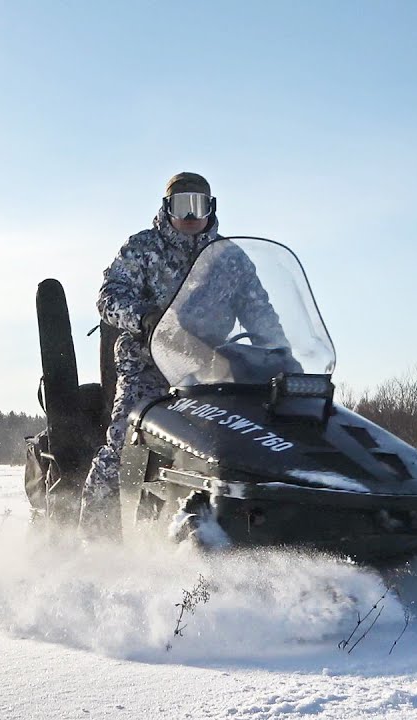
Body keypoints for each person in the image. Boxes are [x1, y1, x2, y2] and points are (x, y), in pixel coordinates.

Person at [80, 172, 285, 537]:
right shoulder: (143, 248)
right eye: (181, 206)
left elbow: (261, 314)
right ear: (166, 208)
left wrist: (281, 356)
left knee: (237, 452)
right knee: (122, 447)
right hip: (147, 369)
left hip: (208, 376)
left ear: (211, 209)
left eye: (198, 206)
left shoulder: (230, 260)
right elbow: (108, 296)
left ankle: (235, 531)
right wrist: (143, 317)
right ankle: (94, 542)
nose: (190, 216)